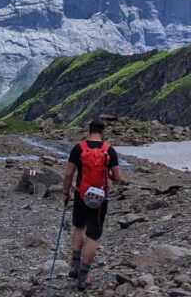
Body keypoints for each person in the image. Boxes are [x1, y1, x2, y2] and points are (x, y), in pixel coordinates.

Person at [61, 117, 122, 290]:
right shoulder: (109, 150)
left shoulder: (78, 148)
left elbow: (68, 174)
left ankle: (74, 264)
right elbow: (117, 178)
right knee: (93, 235)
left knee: (79, 227)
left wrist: (65, 192)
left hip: (81, 193)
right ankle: (83, 274)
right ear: (103, 132)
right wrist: (107, 175)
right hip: (100, 198)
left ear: (89, 130)